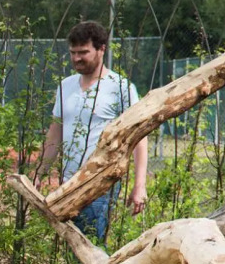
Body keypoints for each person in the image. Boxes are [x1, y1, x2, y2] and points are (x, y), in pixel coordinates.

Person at [34, 20, 147, 241]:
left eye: (83, 52)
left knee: (91, 244)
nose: (77, 58)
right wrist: (40, 172)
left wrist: (139, 186)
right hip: (68, 182)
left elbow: (139, 137)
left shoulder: (120, 87)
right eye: (73, 53)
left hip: (100, 183)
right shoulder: (65, 86)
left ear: (101, 49)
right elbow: (55, 132)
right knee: (73, 247)